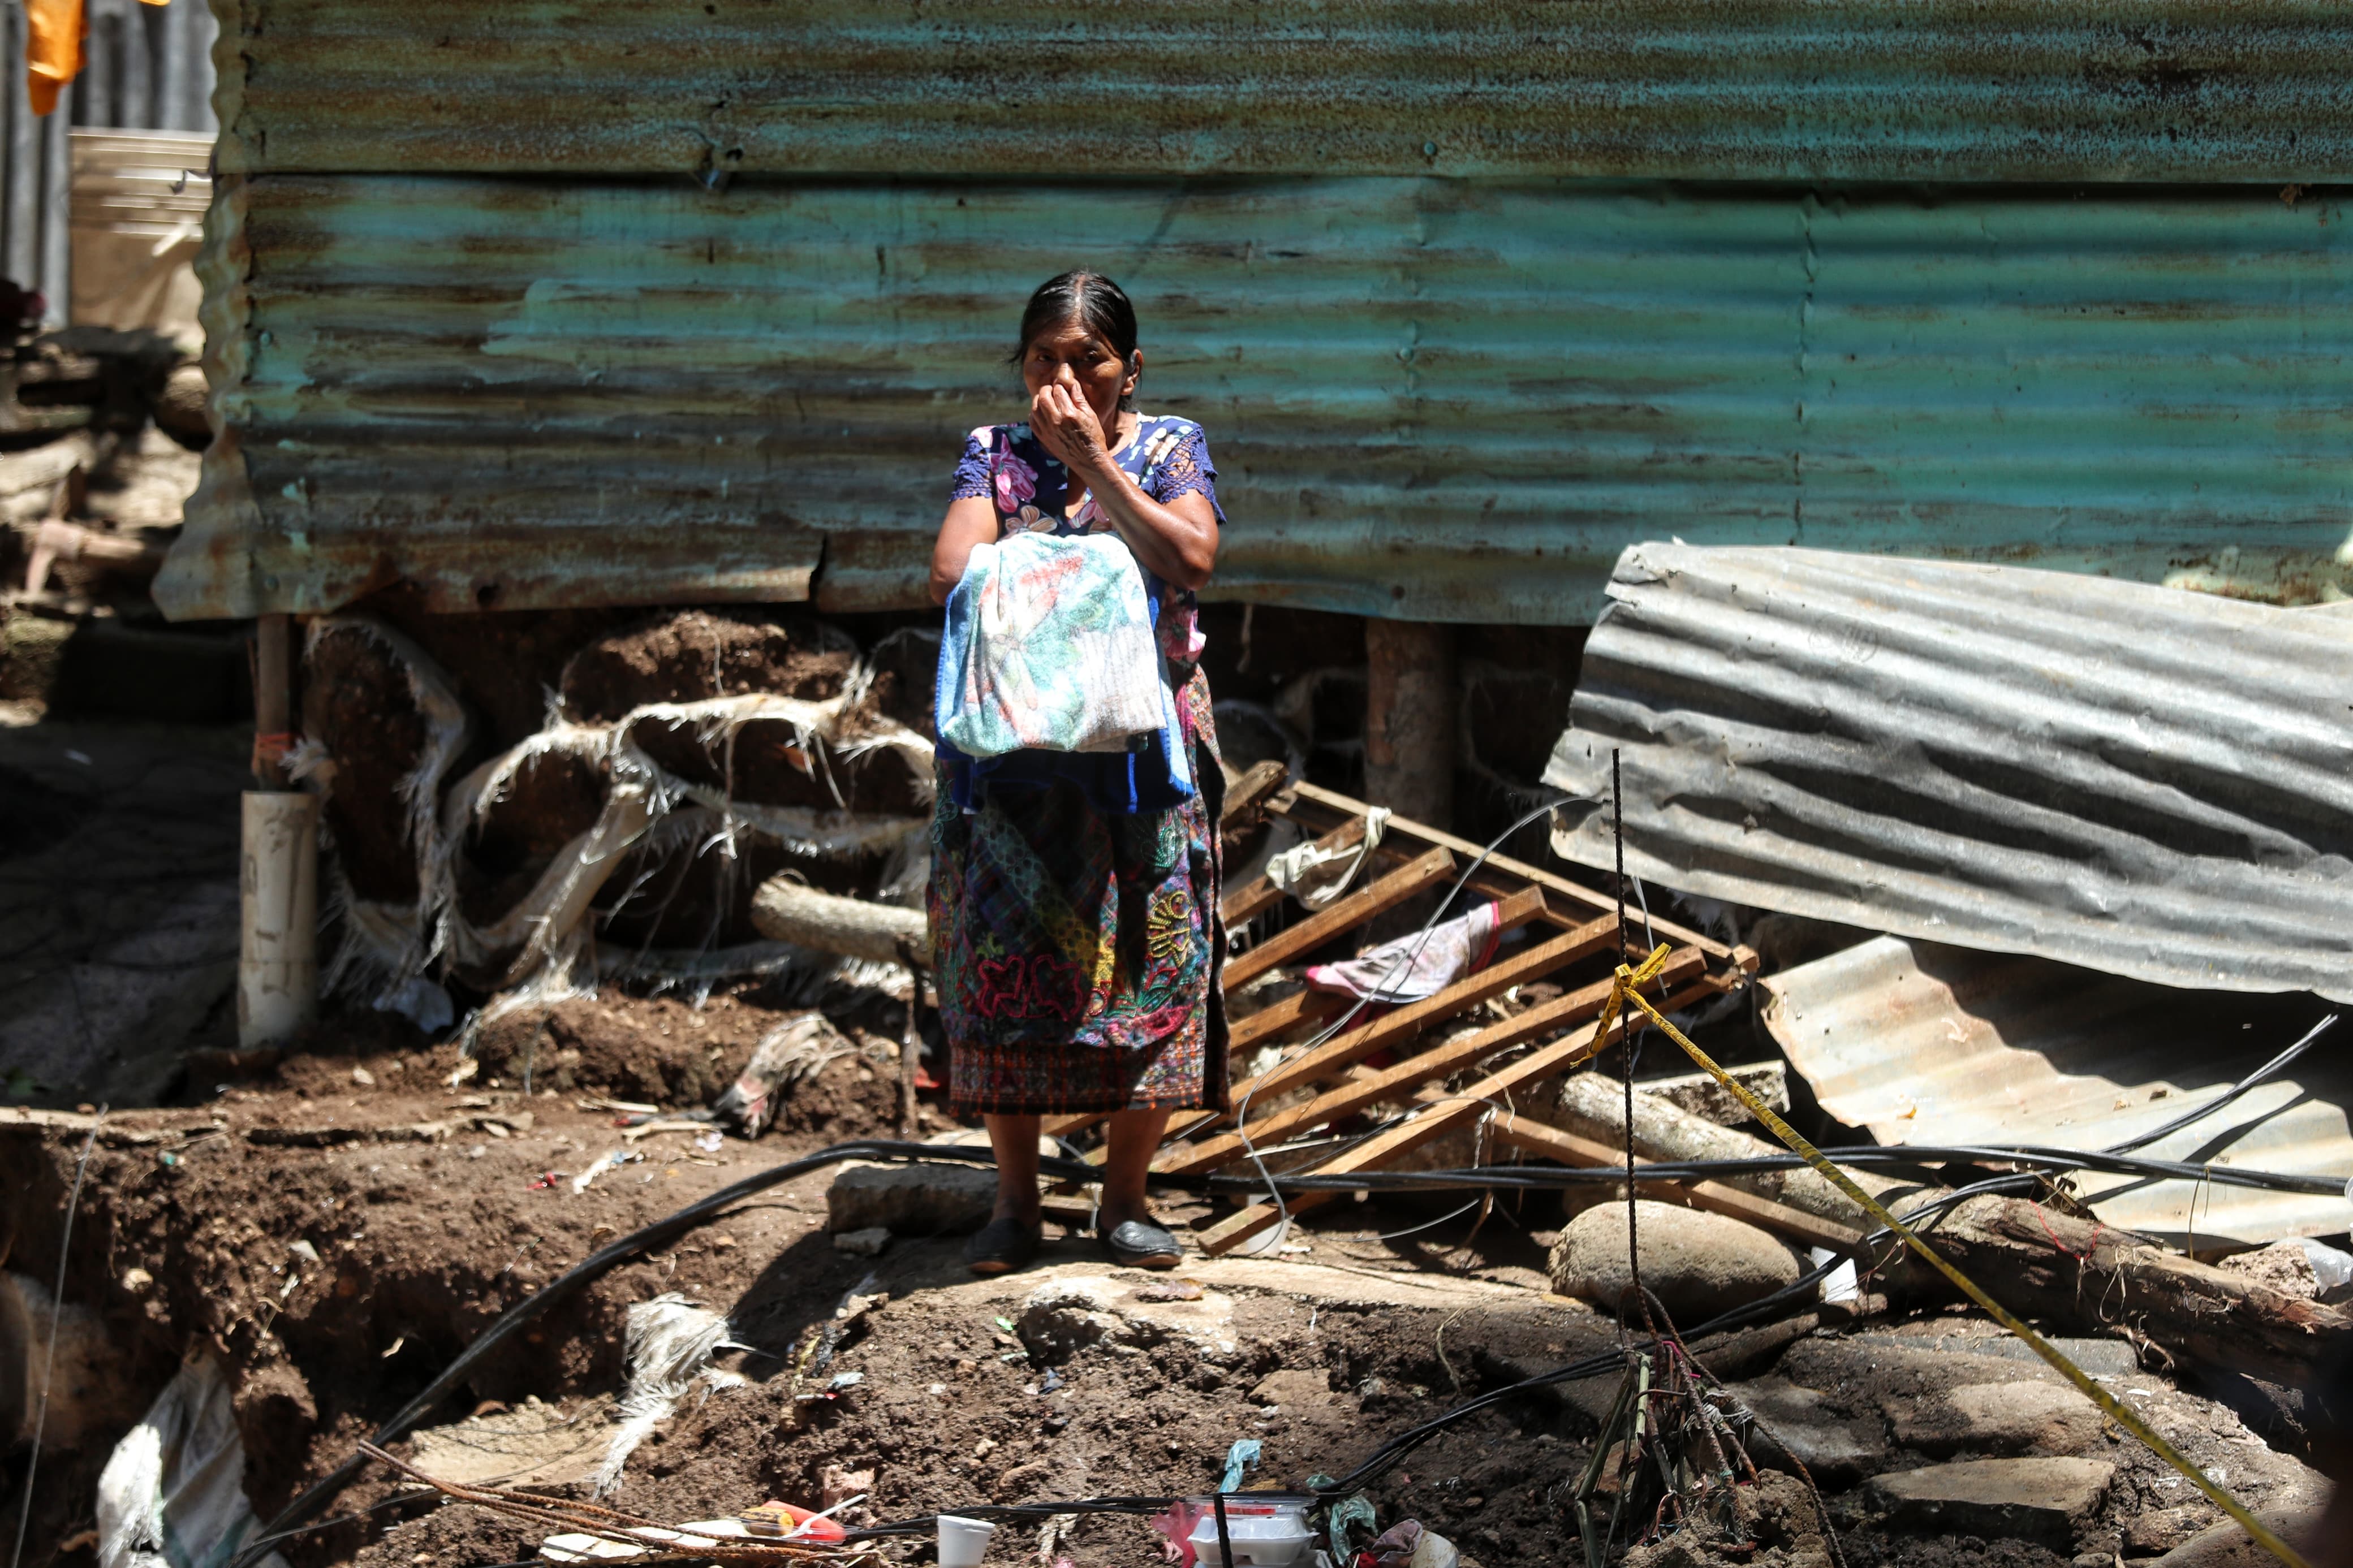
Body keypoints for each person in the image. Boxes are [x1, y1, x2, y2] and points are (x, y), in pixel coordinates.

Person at [927, 270, 1228, 1274]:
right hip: (1017, 755)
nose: (1065, 375)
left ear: (1129, 370)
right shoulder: (994, 457)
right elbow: (950, 575)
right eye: (1044, 358)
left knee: (1155, 949)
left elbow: (1190, 558)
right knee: (1000, 960)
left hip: (1143, 754)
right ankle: (1014, 1207)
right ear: (1022, 367)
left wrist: (1096, 471)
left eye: (1088, 358)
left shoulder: (1166, 447)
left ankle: (1125, 1202)